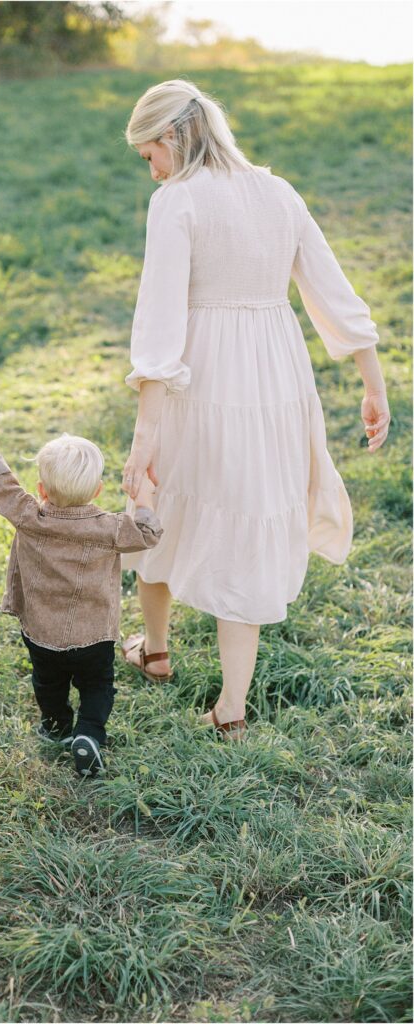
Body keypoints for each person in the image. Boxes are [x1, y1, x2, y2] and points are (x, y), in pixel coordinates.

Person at [119, 79, 390, 739]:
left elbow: (158, 326)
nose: (148, 167)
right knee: (246, 509)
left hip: (202, 373)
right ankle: (228, 705)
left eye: (148, 151)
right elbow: (332, 289)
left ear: (175, 138)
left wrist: (143, 434)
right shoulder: (278, 191)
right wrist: (371, 381)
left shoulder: (175, 201)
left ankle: (157, 652)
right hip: (275, 372)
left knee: (157, 496)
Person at [0, 425, 163, 776]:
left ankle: (57, 726)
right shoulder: (111, 527)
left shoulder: (29, 515)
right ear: (98, 490)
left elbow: (0, 484)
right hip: (95, 636)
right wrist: (144, 496)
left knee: (48, 683)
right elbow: (149, 533)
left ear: (41, 490)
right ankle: (89, 732)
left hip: (42, 633)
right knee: (98, 685)